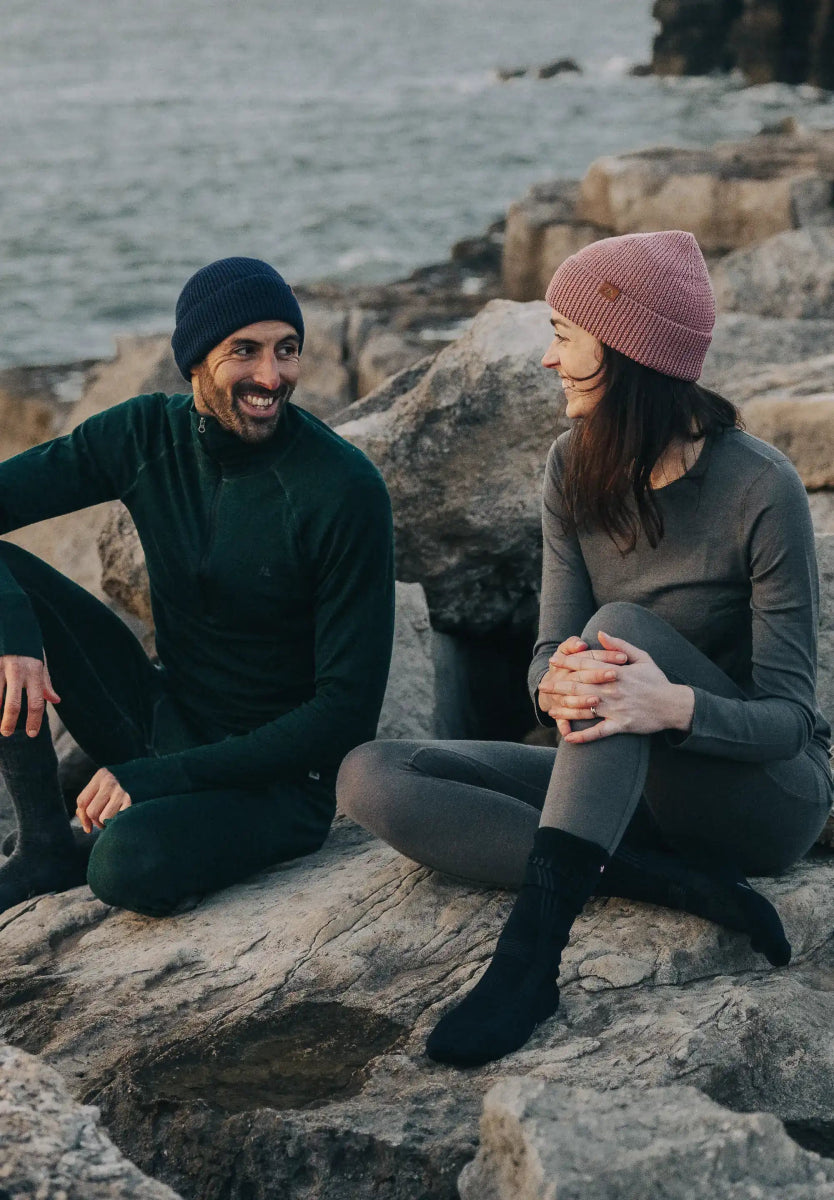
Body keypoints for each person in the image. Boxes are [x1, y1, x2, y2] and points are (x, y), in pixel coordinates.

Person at [336, 230, 833, 1067]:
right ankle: (659, 882)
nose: (546, 360)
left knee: (624, 631)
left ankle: (531, 959)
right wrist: (554, 687)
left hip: (763, 801)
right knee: (373, 773)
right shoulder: (571, 468)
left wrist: (668, 706)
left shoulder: (761, 488)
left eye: (565, 335)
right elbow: (544, 656)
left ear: (629, 351)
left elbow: (792, 722)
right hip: (632, 789)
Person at [0, 256, 395, 918]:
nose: (272, 376)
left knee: (125, 862)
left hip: (278, 786)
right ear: (195, 361)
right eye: (245, 351)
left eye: (287, 350)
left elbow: (345, 714)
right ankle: (43, 845)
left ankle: (153, 839)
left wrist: (153, 781)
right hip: (162, 716)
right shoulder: (145, 434)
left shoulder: (344, 490)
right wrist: (14, 637)